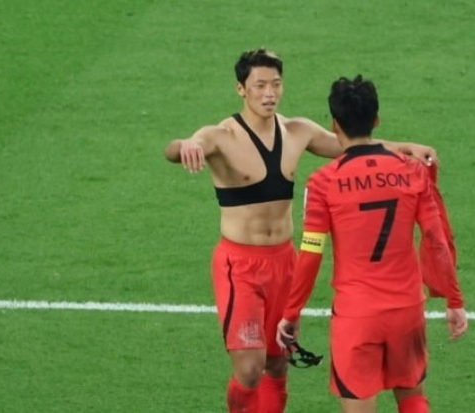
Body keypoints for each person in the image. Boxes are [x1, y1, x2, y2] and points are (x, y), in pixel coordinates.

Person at [164, 49, 439, 413]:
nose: (269, 93)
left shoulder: (298, 131)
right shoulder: (221, 135)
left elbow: (354, 146)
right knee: (249, 369)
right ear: (240, 89)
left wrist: (406, 147)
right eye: (259, 85)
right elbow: (181, 147)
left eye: (275, 84)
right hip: (239, 265)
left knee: (278, 362)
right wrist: (183, 146)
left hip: (284, 263)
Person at [276, 75, 467, 413]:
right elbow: (437, 241)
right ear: (376, 120)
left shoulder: (323, 182)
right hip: (406, 310)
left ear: (334, 124)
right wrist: (454, 299)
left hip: (357, 315)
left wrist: (291, 313)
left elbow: (310, 255)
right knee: (413, 400)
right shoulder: (412, 173)